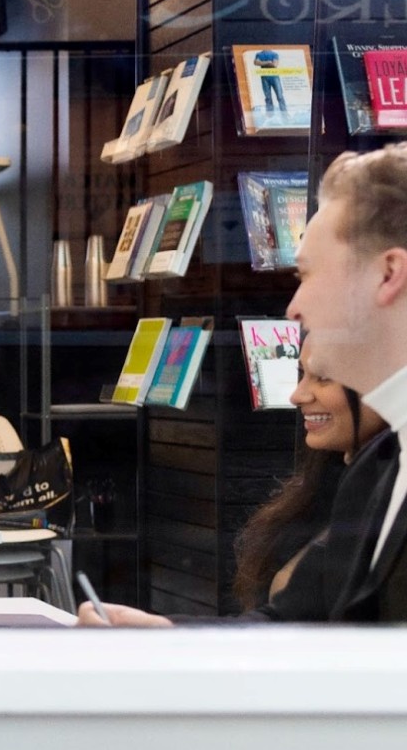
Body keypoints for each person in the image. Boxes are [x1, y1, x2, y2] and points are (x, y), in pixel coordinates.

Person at [83, 143, 407, 625]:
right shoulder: (378, 467)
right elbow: (298, 628)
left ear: (388, 274)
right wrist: (166, 640)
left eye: (305, 274)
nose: (293, 307)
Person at [231, 338, 387, 611]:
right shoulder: (328, 488)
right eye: (302, 374)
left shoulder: (390, 495)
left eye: (324, 378)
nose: (298, 395)